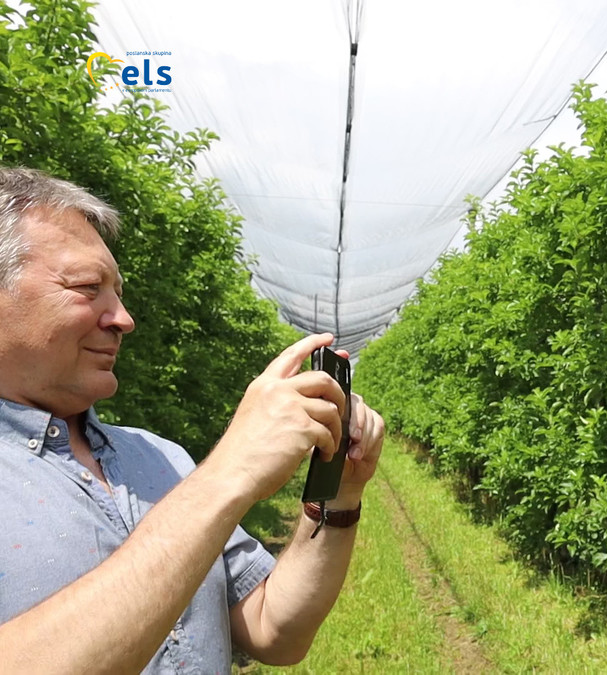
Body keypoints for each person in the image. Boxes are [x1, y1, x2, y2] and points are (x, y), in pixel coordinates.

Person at [0, 166, 386, 672]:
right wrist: (228, 474)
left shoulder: (157, 457)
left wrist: (338, 497)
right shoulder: (200, 483)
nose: (123, 318)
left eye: (118, 293)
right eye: (87, 286)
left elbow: (273, 631)